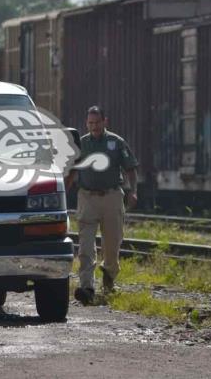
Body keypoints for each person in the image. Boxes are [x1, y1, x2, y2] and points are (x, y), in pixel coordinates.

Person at [66, 105, 139, 304]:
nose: (94, 126)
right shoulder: (81, 145)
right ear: (86, 123)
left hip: (111, 197)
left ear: (105, 122)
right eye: (90, 123)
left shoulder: (116, 142)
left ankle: (109, 277)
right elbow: (71, 173)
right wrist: (61, 195)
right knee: (86, 247)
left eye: (97, 123)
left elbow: (130, 169)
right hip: (87, 198)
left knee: (112, 246)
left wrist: (133, 191)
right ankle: (87, 287)